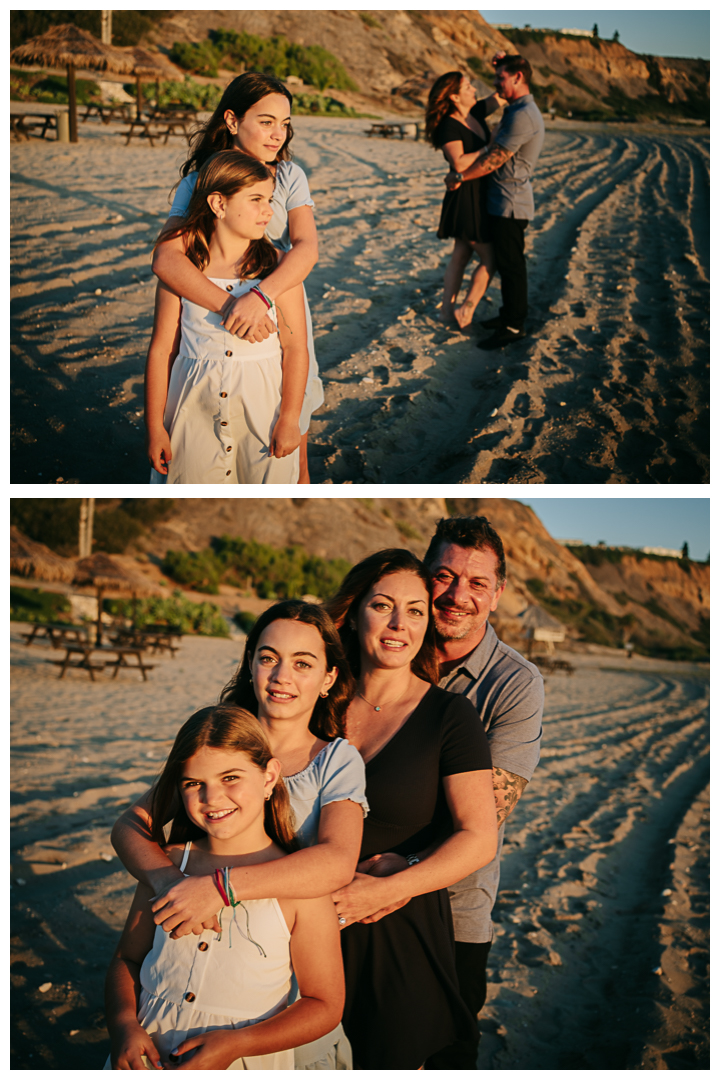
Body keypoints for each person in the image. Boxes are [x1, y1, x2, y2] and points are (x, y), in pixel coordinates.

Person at [111, 600, 366, 1069]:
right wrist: (170, 885)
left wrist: (218, 889)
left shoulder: (334, 759)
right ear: (250, 665)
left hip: (280, 958)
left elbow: (336, 862)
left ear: (329, 678)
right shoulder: (219, 741)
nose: (281, 675)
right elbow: (130, 826)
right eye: (268, 657)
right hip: (189, 927)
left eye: (303, 663)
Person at [324, 549, 498, 1069]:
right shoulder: (315, 699)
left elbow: (479, 836)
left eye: (416, 610)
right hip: (302, 928)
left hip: (396, 931)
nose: (400, 624)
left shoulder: (450, 715)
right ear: (354, 614)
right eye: (383, 606)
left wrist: (385, 890)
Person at [104, 705, 344, 1070]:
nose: (211, 798)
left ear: (268, 777)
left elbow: (324, 1004)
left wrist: (238, 1044)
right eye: (193, 783)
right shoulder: (166, 864)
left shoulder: (300, 885)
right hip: (148, 1055)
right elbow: (128, 958)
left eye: (230, 778)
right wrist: (123, 1025)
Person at [152, 72, 323, 483]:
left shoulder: (288, 176)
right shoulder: (199, 182)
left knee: (291, 414)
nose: (277, 134)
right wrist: (231, 304)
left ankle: (298, 485)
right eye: (266, 121)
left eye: (284, 124)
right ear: (231, 120)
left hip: (278, 295)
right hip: (214, 300)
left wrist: (260, 297)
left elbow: (306, 248)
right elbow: (166, 259)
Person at [421, 516, 544, 1069]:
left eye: (475, 584)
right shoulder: (383, 653)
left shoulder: (515, 684)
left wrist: (384, 871)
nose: (457, 596)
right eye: (444, 576)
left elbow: (483, 819)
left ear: (498, 594)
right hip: (345, 888)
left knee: (446, 1049)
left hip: (454, 907)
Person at [445, 54, 545, 350]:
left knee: (512, 266)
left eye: (501, 77)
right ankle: (507, 316)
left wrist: (461, 177)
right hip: (502, 200)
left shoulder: (523, 114)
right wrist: (505, 59)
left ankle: (514, 325)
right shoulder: (517, 107)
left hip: (510, 203)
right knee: (504, 262)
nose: (495, 83)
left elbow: (494, 159)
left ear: (518, 78)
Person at [425, 70, 504, 329]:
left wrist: (501, 63)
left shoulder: (476, 113)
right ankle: (465, 311)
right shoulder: (448, 124)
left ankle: (446, 313)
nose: (474, 89)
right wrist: (489, 146)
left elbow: (502, 97)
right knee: (490, 258)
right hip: (466, 198)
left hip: (477, 193)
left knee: (461, 254)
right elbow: (458, 162)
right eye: (468, 86)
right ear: (455, 96)